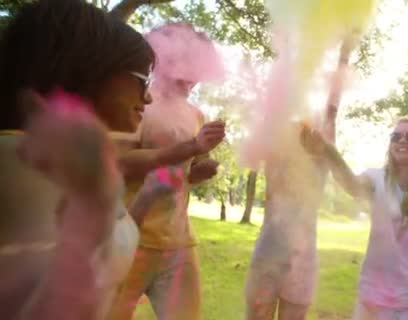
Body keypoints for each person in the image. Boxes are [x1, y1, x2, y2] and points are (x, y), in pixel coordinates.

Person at [0, 1, 222, 319]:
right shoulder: (33, 174)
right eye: (139, 80)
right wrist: (183, 151)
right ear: (86, 72)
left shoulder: (192, 114)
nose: (144, 96)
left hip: (173, 238)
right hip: (141, 240)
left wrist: (194, 171)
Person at [108, 23, 223, 320]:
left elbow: (190, 173)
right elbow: (120, 162)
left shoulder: (196, 114)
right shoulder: (139, 104)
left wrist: (203, 167)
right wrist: (189, 148)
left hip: (179, 242)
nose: (197, 76)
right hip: (130, 237)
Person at [300, 117, 408, 320]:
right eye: (396, 137)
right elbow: (351, 184)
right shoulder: (376, 178)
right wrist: (327, 151)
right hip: (375, 295)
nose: (402, 141)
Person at [244, 121, 328, 320]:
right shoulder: (275, 165)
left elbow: (330, 119)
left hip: (303, 261)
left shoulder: (320, 166)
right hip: (267, 256)